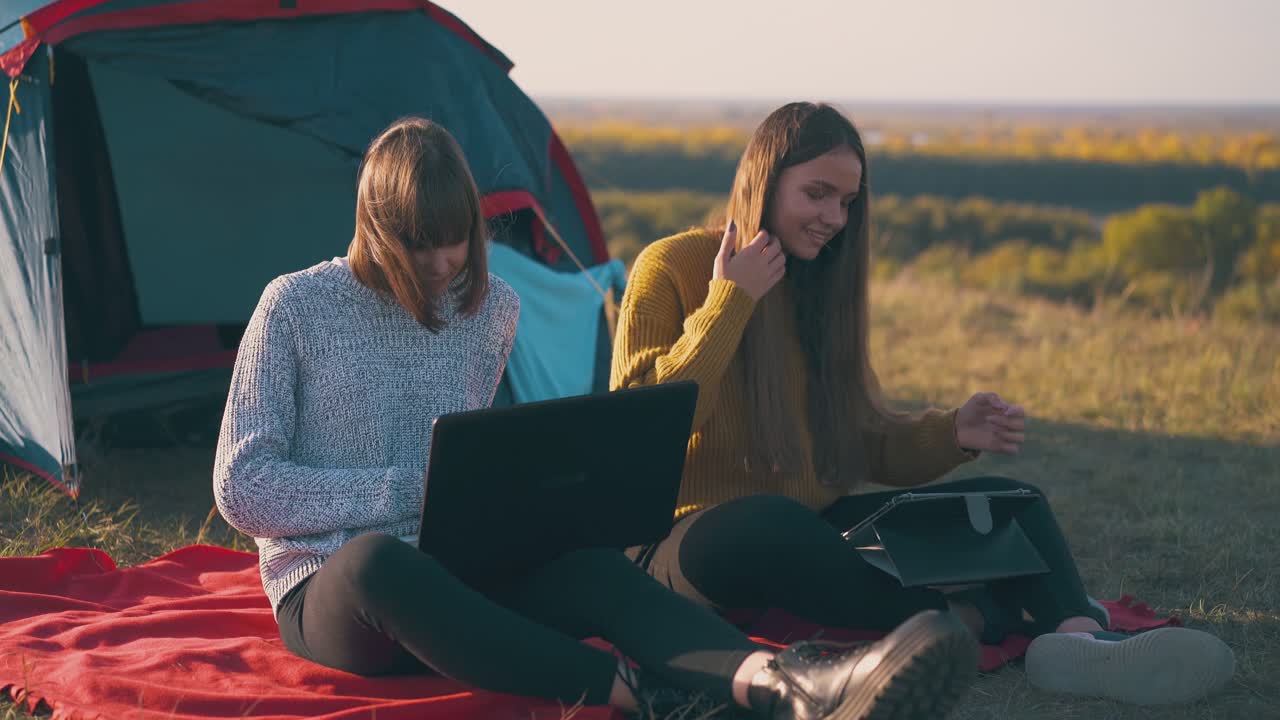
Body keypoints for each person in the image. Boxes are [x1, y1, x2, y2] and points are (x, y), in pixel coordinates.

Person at [213, 116, 982, 720]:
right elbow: (242, 486)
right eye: (422, 251)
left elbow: (463, 457)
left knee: (588, 565)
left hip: (458, 575)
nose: (445, 268)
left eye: (458, 245)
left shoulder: (489, 308)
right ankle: (641, 696)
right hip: (337, 593)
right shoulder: (296, 307)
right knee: (379, 559)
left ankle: (784, 686)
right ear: (376, 228)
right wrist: (403, 490)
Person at [611, 102, 1236, 706]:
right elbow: (639, 434)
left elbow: (864, 442)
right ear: (765, 182)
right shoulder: (672, 265)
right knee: (767, 523)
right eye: (817, 194)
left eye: (848, 202)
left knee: (1010, 504)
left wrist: (953, 434)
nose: (835, 217)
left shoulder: (819, 288)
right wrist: (730, 302)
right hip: (684, 547)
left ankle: (1075, 641)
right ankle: (975, 617)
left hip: (811, 530)